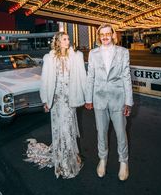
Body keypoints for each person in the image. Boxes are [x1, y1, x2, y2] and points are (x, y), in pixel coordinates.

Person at [25, 31, 86, 179]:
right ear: (58, 42)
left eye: (68, 39)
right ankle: (63, 161)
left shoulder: (75, 57)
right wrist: (45, 100)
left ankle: (70, 156)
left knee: (69, 127)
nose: (68, 41)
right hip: (57, 99)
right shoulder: (50, 58)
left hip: (70, 99)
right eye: (64, 39)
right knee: (61, 129)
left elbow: (82, 77)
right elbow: (45, 81)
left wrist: (85, 96)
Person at [85, 23, 133, 181]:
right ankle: (102, 159)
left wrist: (128, 101)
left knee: (120, 133)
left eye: (108, 33)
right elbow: (90, 76)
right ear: (99, 36)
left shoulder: (123, 52)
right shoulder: (93, 53)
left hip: (118, 98)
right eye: (102, 34)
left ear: (113, 35)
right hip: (99, 98)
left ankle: (123, 161)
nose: (105, 37)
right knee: (101, 131)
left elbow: (126, 77)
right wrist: (88, 99)